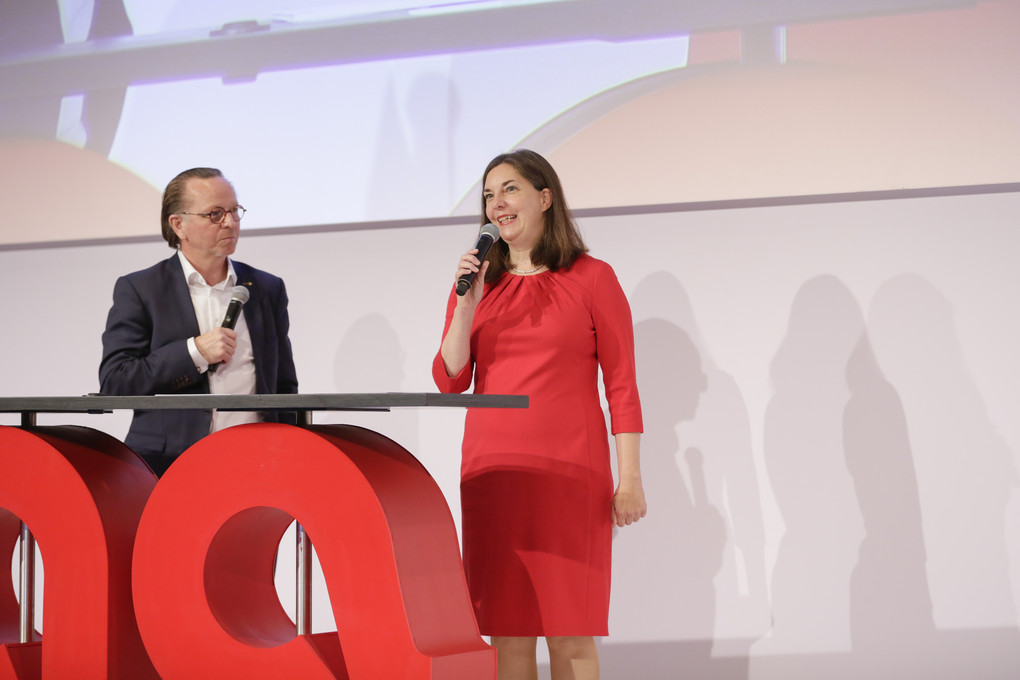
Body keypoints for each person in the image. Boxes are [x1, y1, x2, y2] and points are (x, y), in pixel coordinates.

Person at [433, 149, 646, 680]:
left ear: (545, 197)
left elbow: (622, 386)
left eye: (510, 189)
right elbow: (451, 378)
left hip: (569, 476)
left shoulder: (593, 277)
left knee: (571, 630)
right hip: (495, 475)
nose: (497, 204)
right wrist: (465, 305)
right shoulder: (480, 284)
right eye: (489, 195)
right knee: (507, 633)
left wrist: (631, 479)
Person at [99, 167, 298, 477]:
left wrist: (291, 457)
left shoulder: (267, 288)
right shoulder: (142, 289)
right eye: (215, 214)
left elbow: (284, 386)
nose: (230, 222)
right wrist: (194, 352)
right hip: (169, 464)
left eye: (234, 211)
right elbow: (116, 381)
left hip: (256, 464)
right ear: (179, 225)